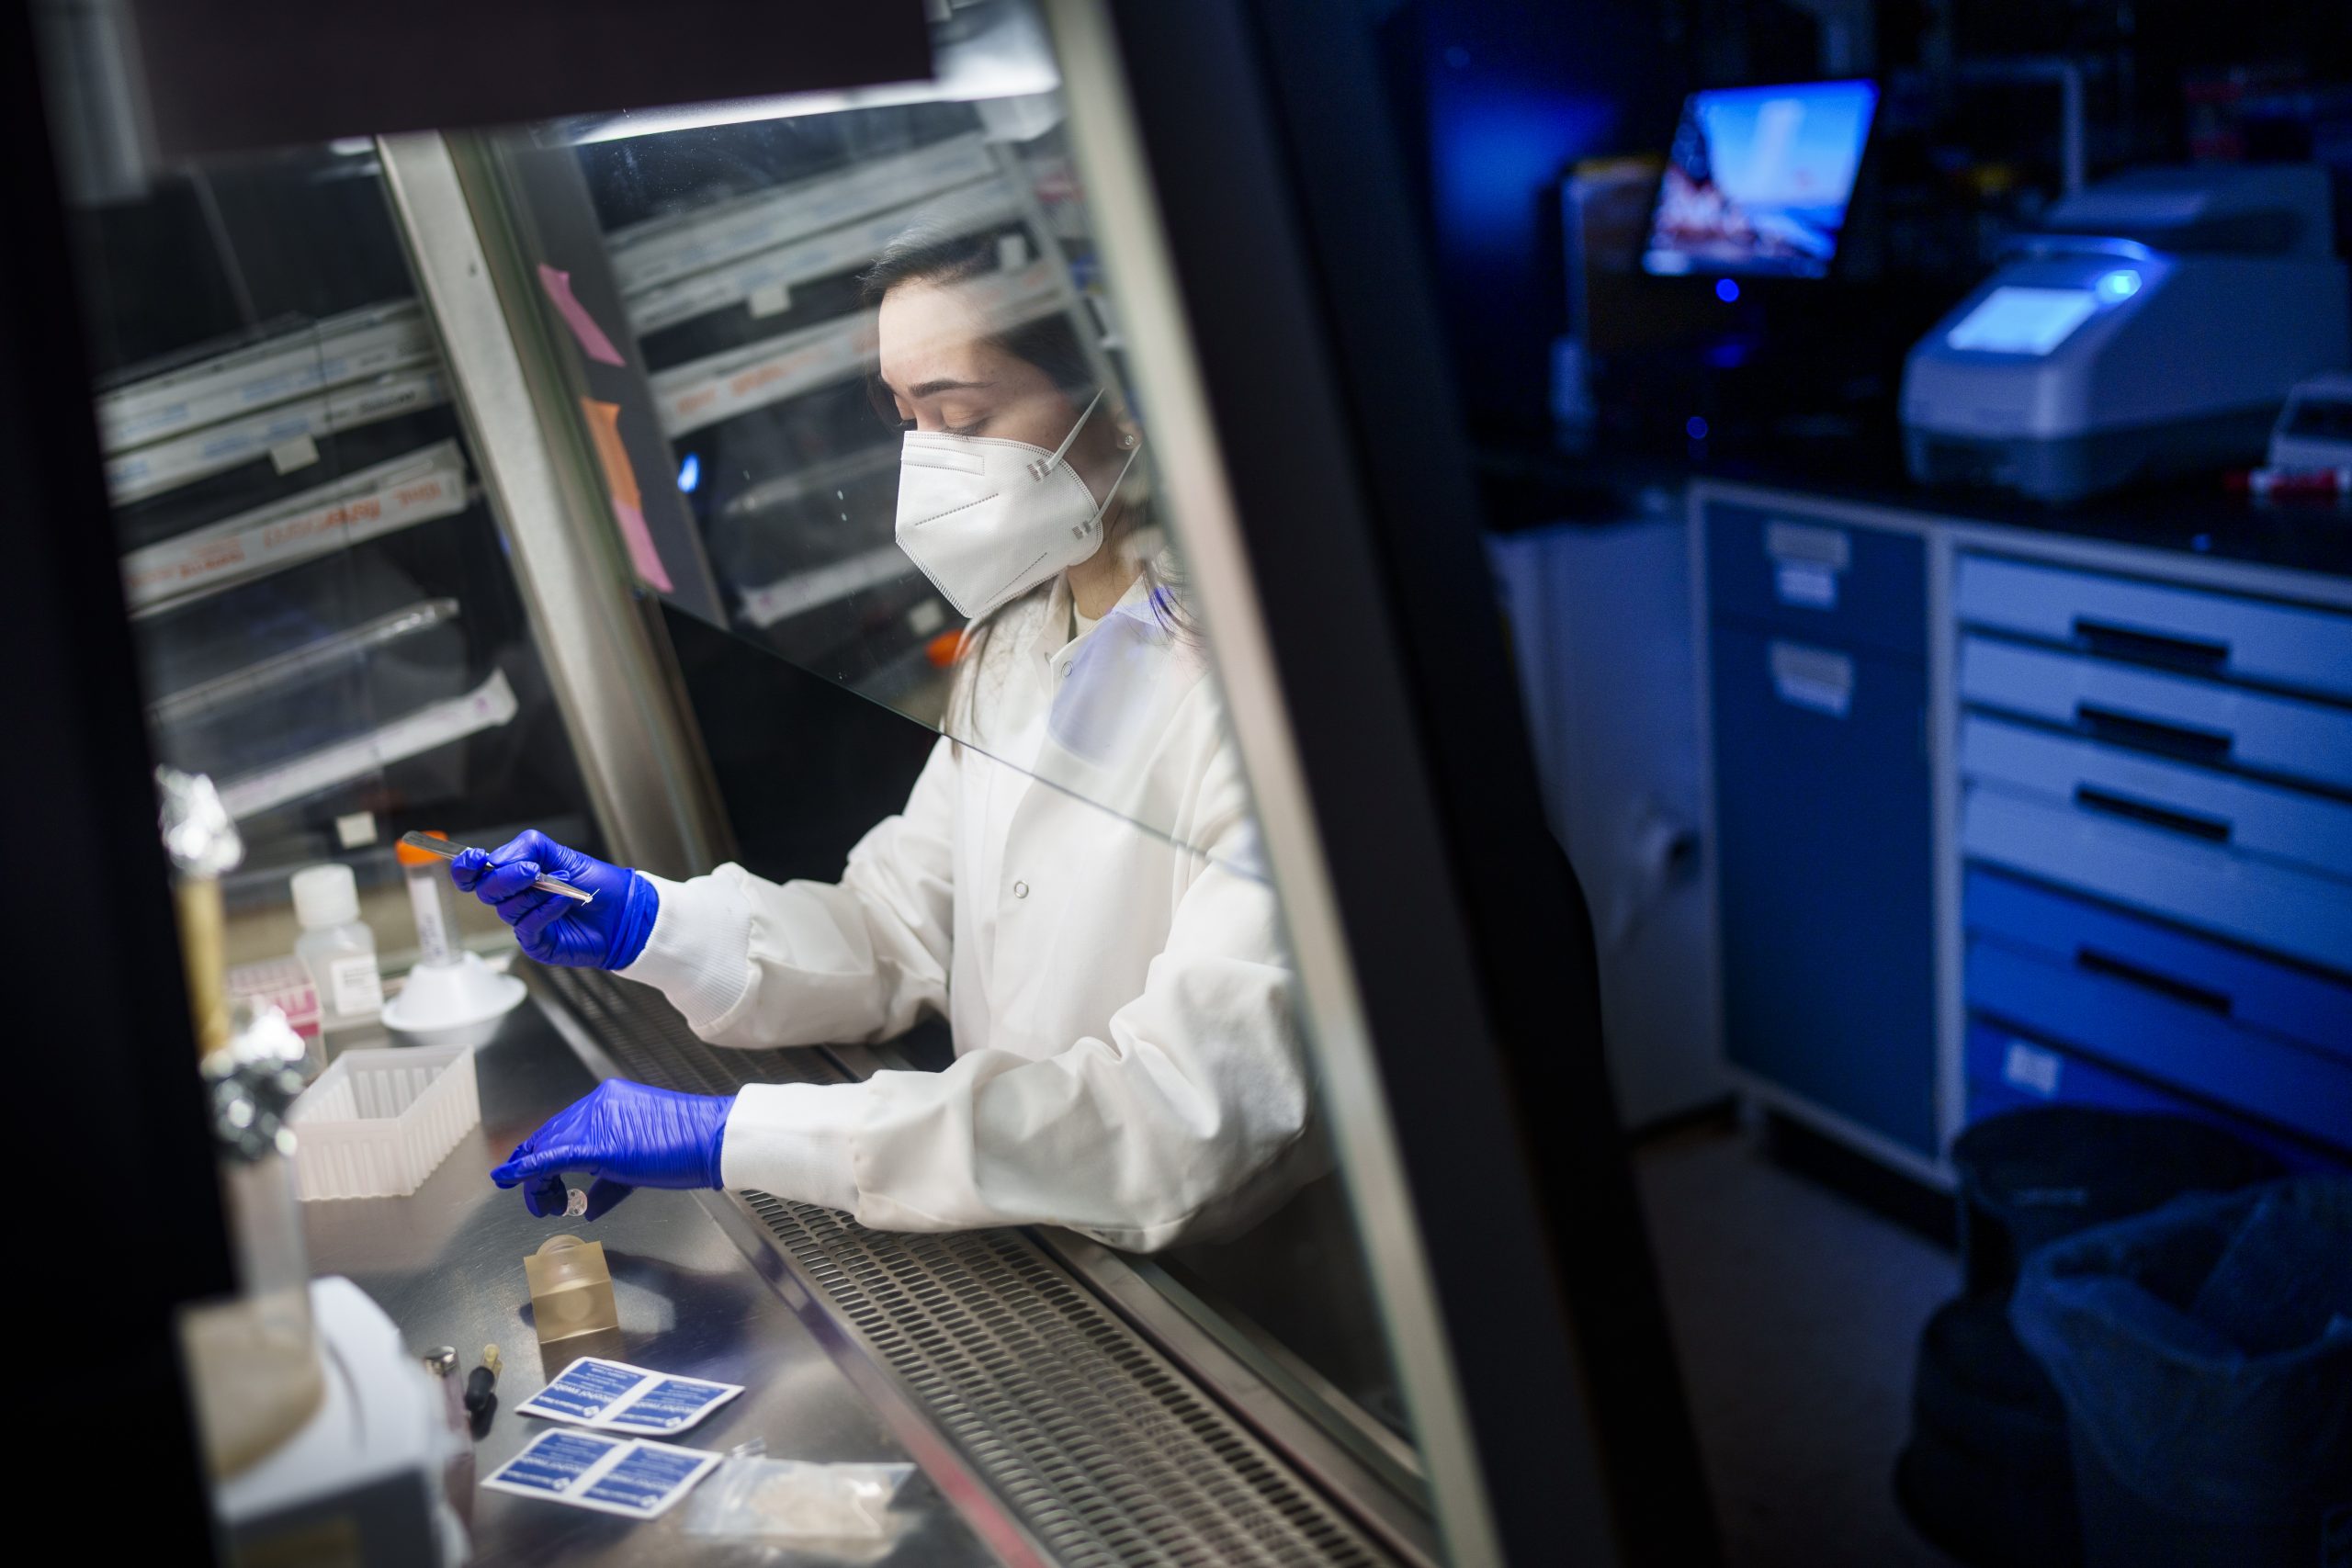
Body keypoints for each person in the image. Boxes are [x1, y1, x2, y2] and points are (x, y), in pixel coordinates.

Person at [458, 221, 1317, 1252]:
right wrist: (656, 924)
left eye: (964, 416)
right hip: (1023, 1230)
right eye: (909, 421)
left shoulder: (1267, 693)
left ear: (1125, 399)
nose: (930, 466)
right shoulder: (1014, 641)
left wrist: (745, 1135)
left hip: (1221, 1297)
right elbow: (900, 927)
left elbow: (1178, 1115)